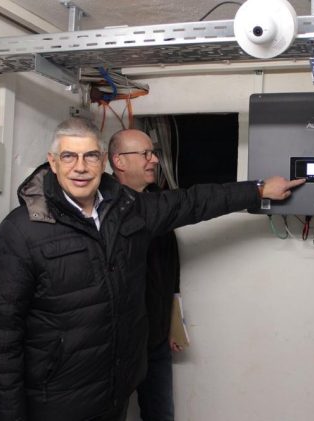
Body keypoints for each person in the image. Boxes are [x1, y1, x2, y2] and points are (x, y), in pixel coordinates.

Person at [0, 117, 304, 421]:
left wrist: (258, 190)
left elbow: (192, 202)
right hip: (57, 402)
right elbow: (0, 340)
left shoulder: (128, 209)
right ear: (52, 162)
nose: (80, 167)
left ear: (103, 161)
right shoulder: (21, 231)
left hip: (114, 394)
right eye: (68, 156)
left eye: (90, 156)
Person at [108, 128, 181, 421]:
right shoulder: (102, 210)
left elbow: (170, 267)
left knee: (161, 414)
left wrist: (172, 322)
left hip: (156, 338)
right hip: (117, 344)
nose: (154, 160)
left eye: (154, 153)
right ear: (119, 161)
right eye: (146, 154)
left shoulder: (159, 203)